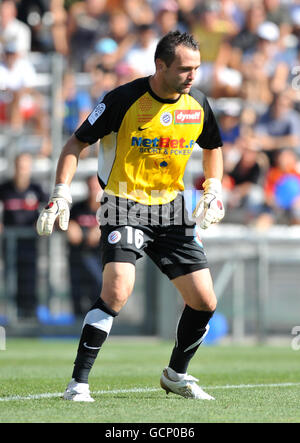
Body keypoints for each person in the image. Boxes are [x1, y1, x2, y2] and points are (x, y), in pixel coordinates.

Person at [37, 31, 225, 402]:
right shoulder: (122, 99)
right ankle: (78, 384)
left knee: (205, 301)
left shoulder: (198, 103)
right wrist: (60, 193)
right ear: (160, 66)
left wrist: (214, 187)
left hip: (172, 208)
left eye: (196, 69)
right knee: (117, 291)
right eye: (184, 69)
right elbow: (76, 143)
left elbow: (213, 146)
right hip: (123, 203)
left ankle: (176, 375)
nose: (192, 76)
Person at [0, 152, 48, 318]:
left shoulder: (36, 189)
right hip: (9, 245)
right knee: (11, 278)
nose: (22, 170)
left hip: (30, 244)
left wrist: (43, 223)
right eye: (20, 167)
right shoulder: (5, 188)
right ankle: (12, 315)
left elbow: (50, 208)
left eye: (25, 167)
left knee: (30, 280)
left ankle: (30, 316)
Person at [67, 175, 102, 318]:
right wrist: (69, 226)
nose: (93, 191)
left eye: (96, 187)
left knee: (98, 290)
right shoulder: (78, 208)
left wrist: (101, 227)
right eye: (91, 187)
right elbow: (62, 223)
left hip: (100, 259)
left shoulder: (109, 210)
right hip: (78, 258)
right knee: (77, 294)